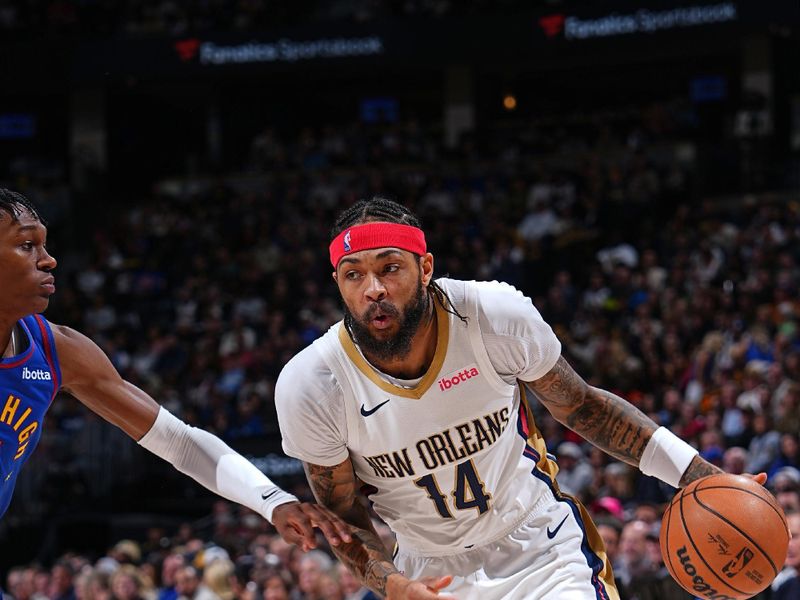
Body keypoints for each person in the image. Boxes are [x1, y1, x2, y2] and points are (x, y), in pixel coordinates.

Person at [275, 197, 766, 599]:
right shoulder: (312, 384)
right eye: (354, 274)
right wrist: (394, 585)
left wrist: (707, 477)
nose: (374, 289)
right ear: (338, 283)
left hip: (540, 547)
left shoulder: (492, 315)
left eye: (391, 268)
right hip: (429, 570)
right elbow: (344, 515)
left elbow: (585, 408)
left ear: (425, 268)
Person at [0, 188, 351, 552]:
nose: (49, 260)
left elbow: (179, 441)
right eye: (27, 245)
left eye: (44, 244)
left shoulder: (55, 349)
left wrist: (272, 500)